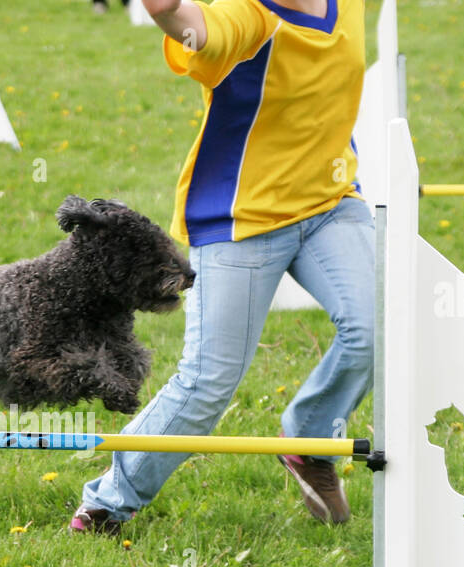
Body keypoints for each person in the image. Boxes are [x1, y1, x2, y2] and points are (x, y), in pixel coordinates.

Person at [72, 0, 374, 534]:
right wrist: (166, 12)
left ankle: (308, 439)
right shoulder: (248, 15)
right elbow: (196, 28)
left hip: (330, 204)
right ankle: (110, 500)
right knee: (207, 385)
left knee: (375, 329)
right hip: (241, 217)